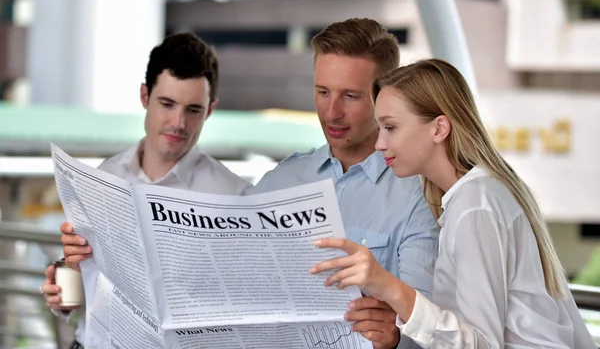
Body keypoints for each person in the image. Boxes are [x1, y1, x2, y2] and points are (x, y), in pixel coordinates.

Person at [310, 58, 596, 348]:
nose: (379, 143)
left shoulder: (475, 205)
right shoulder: (474, 196)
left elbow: (482, 344)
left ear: (439, 129)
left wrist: (389, 287)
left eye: (391, 128)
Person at [40, 32, 250, 348]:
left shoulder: (233, 196)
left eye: (193, 110)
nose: (178, 122)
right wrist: (64, 291)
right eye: (167, 104)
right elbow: (81, 287)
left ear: (210, 110)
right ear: (144, 96)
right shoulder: (104, 176)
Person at [248, 18, 439, 349]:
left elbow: (432, 328)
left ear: (384, 98)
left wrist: (395, 338)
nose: (332, 112)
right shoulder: (278, 182)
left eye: (350, 96)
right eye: (323, 92)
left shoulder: (418, 196)